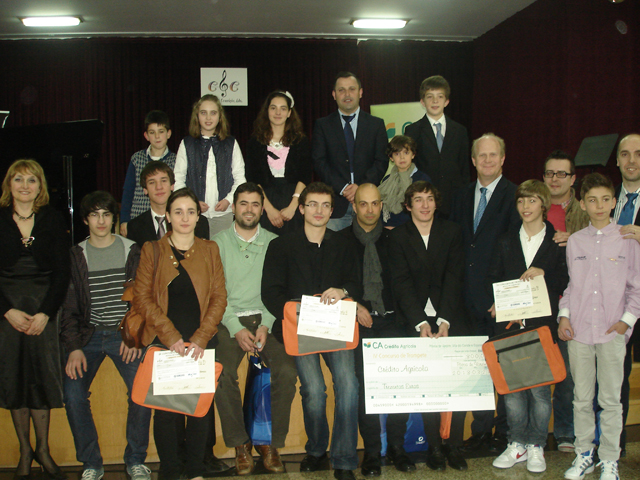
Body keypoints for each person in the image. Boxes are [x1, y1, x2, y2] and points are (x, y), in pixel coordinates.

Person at [261, 182, 362, 480]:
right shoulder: (280, 246)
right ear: (302, 208)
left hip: (336, 327)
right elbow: (270, 292)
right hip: (299, 327)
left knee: (348, 386)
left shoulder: (344, 244)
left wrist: (342, 290)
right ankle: (317, 449)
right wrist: (296, 310)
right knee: (315, 391)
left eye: (325, 205)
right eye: (313, 204)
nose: (319, 211)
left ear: (332, 211)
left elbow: (357, 283)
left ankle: (343, 459)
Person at [133, 187, 227, 480]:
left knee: (199, 409)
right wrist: (171, 336)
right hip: (166, 341)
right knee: (167, 412)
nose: (185, 217)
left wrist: (200, 338)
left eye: (190, 211)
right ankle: (172, 471)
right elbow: (142, 298)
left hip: (201, 340)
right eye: (178, 212)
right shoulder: (153, 250)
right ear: (168, 217)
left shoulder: (210, 249)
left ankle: (196, 470)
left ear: (199, 216)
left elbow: (219, 297)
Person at [60, 191, 151, 480]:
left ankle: (135, 459)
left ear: (114, 218)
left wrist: (134, 338)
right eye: (95, 214)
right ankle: (92, 463)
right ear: (86, 219)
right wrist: (74, 347)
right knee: (73, 396)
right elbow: (69, 307)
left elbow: (143, 299)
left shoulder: (131, 250)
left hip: (122, 334)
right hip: (87, 336)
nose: (101, 220)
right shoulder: (76, 256)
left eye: (107, 214)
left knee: (141, 390)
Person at [558, 173, 640, 480]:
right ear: (583, 203)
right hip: (578, 331)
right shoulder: (576, 240)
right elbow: (571, 286)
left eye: (606, 199)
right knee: (581, 397)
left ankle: (609, 458)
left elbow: (636, 287)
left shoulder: (628, 239)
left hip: (611, 333)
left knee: (610, 400)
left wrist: (624, 323)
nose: (599, 205)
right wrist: (564, 315)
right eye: (592, 200)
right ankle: (583, 454)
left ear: (614, 202)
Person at [212, 182, 298, 474]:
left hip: (268, 320)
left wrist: (266, 324)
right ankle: (240, 444)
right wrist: (235, 327)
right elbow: (215, 294)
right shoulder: (217, 243)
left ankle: (271, 444)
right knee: (220, 373)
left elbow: (279, 291)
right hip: (229, 321)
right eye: (243, 203)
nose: (249, 209)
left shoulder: (277, 243)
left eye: (255, 204)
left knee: (287, 372)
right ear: (234, 207)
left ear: (263, 209)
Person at [487, 180, 569, 473]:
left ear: (543, 205)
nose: (525, 207)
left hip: (542, 327)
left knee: (539, 393)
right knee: (512, 392)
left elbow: (564, 282)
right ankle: (516, 443)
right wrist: (499, 301)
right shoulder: (506, 239)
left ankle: (536, 445)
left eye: (532, 201)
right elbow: (495, 276)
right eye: (521, 201)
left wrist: (543, 274)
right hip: (510, 326)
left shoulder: (557, 242)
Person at [389, 181, 470, 472]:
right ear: (408, 205)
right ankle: (435, 447)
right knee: (424, 386)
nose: (425, 205)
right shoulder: (397, 237)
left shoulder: (452, 231)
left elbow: (455, 276)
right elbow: (400, 283)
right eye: (418, 200)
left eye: (430, 199)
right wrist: (420, 322)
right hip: (411, 321)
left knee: (455, 386)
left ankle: (454, 446)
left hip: (449, 319)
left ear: (437, 203)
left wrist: (445, 319)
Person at [449, 133, 520, 452]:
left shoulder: (516, 195)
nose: (488, 160)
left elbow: (519, 252)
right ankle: (480, 431)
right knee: (475, 371)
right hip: (465, 301)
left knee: (504, 369)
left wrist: (504, 298)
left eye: (494, 155)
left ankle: (505, 434)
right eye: (482, 155)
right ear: (473, 160)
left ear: (503, 159)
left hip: (498, 303)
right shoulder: (461, 195)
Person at [0, 159, 70, 480]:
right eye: (18, 179)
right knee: (15, 380)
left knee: (40, 381)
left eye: (31, 180)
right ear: (9, 185)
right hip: (8, 314)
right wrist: (6, 310)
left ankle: (43, 449)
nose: (25, 186)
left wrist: (46, 312)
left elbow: (62, 273)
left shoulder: (53, 220)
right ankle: (25, 451)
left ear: (40, 186)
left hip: (44, 312)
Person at [338, 184, 414, 476]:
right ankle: (371, 453)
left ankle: (397, 448)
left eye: (374, 204)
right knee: (364, 391)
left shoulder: (397, 240)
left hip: (393, 322)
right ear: (354, 207)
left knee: (398, 388)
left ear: (382, 205)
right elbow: (333, 282)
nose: (369, 210)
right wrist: (352, 303)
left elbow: (407, 283)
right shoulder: (341, 241)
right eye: (363, 204)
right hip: (358, 323)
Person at [542, 150, 588, 452]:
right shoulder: (533, 205)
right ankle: (531, 436)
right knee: (541, 372)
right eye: (549, 174)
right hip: (539, 304)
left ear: (573, 179)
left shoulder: (586, 211)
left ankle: (565, 434)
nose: (555, 179)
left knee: (569, 377)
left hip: (575, 305)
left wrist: (575, 238)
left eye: (561, 174)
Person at [312, 72, 388, 231]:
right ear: (334, 94)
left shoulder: (376, 124)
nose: (347, 94)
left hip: (368, 204)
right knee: (335, 254)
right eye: (341, 90)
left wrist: (360, 187)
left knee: (369, 253)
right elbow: (319, 162)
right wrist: (344, 187)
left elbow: (381, 161)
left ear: (360, 92)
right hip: (336, 205)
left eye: (352, 89)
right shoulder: (323, 125)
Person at [174, 94, 246, 237]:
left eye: (213, 113)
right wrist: (193, 203)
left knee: (220, 255)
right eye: (203, 113)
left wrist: (228, 200)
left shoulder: (231, 143)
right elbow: (178, 179)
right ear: (197, 116)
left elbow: (240, 178)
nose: (208, 118)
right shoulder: (187, 144)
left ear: (220, 117)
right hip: (194, 215)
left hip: (223, 215)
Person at [244, 90, 312, 234]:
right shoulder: (255, 142)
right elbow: (253, 178)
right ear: (267, 111)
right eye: (273, 108)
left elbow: (304, 176)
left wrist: (294, 206)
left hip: (293, 200)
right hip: (265, 200)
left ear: (289, 113)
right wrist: (268, 209)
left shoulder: (301, 141)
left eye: (283, 108)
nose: (278, 112)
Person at [610, 133, 640, 458]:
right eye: (625, 154)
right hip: (614, 305)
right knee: (616, 378)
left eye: (638, 154)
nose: (632, 160)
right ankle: (613, 449)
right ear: (617, 160)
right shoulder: (603, 200)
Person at [404, 75, 470, 218]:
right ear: (422, 102)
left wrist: (465, 198)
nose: (435, 101)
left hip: (454, 201)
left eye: (440, 97)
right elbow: (410, 168)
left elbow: (464, 168)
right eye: (430, 97)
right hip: (424, 202)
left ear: (446, 101)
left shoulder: (460, 131)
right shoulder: (412, 130)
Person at [120, 110, 176, 236]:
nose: (157, 137)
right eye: (152, 132)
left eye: (161, 132)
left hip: (166, 219)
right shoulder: (137, 159)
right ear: (146, 135)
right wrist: (124, 220)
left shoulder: (177, 160)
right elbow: (128, 191)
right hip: (138, 217)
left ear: (168, 133)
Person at [127, 161, 209, 246]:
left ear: (172, 185)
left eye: (163, 180)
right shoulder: (134, 227)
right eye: (152, 182)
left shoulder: (198, 222)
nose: (159, 187)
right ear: (145, 190)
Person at [378, 135, 430, 228]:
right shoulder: (386, 180)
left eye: (406, 153)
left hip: (412, 231)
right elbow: (380, 208)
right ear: (391, 158)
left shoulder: (422, 179)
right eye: (397, 154)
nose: (402, 157)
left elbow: (425, 210)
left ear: (413, 154)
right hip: (387, 229)